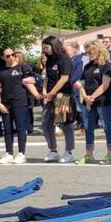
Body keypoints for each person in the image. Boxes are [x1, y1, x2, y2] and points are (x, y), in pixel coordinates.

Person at [0, 46, 38, 164]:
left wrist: (37, 95)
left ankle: (21, 153)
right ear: (2, 57)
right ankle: (9, 153)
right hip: (5, 102)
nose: (11, 57)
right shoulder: (0, 71)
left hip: (20, 101)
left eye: (13, 54)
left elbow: (29, 83)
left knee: (21, 128)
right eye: (8, 56)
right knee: (7, 129)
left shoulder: (22, 67)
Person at [76, 42, 111, 165]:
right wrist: (85, 97)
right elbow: (81, 84)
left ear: (99, 50)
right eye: (87, 52)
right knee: (88, 127)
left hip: (102, 101)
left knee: (107, 126)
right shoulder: (88, 66)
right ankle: (89, 155)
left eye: (91, 51)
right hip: (88, 101)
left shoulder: (107, 65)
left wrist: (91, 97)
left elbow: (105, 85)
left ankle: (110, 154)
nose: (89, 54)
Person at [40, 35, 77, 163]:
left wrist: (52, 93)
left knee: (65, 124)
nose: (45, 50)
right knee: (46, 123)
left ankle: (69, 152)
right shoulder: (49, 60)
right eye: (44, 47)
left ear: (54, 46)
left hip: (62, 95)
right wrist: (44, 91)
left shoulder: (64, 59)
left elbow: (64, 78)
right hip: (49, 96)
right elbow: (46, 77)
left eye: (47, 47)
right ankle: (53, 150)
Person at [66, 41, 86, 132]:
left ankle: (84, 127)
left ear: (74, 50)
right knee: (72, 109)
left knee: (80, 108)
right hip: (68, 88)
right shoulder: (66, 59)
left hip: (76, 87)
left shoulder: (79, 60)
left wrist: (66, 82)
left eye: (67, 50)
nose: (65, 51)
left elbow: (77, 75)